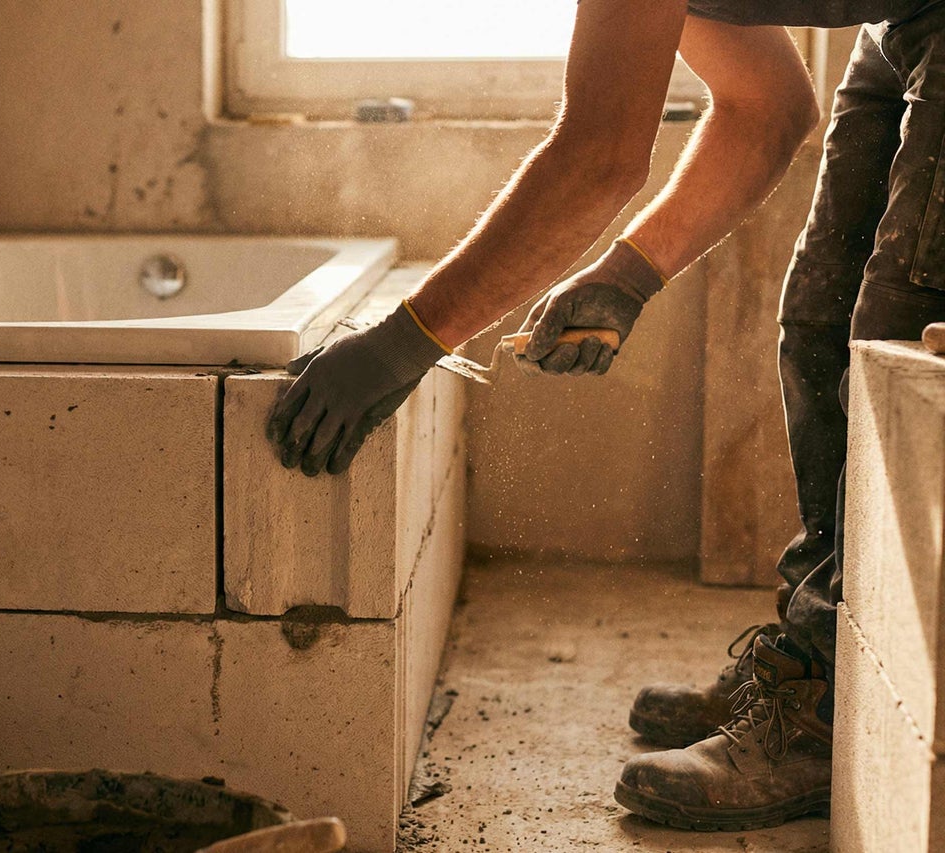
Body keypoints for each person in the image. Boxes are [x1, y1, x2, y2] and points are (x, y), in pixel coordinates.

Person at [266, 0, 945, 831]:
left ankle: (812, 718)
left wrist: (403, 344)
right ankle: (816, 653)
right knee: (820, 326)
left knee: (892, 337)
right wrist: (628, 274)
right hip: (905, 22)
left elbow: (598, 158)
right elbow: (768, 106)